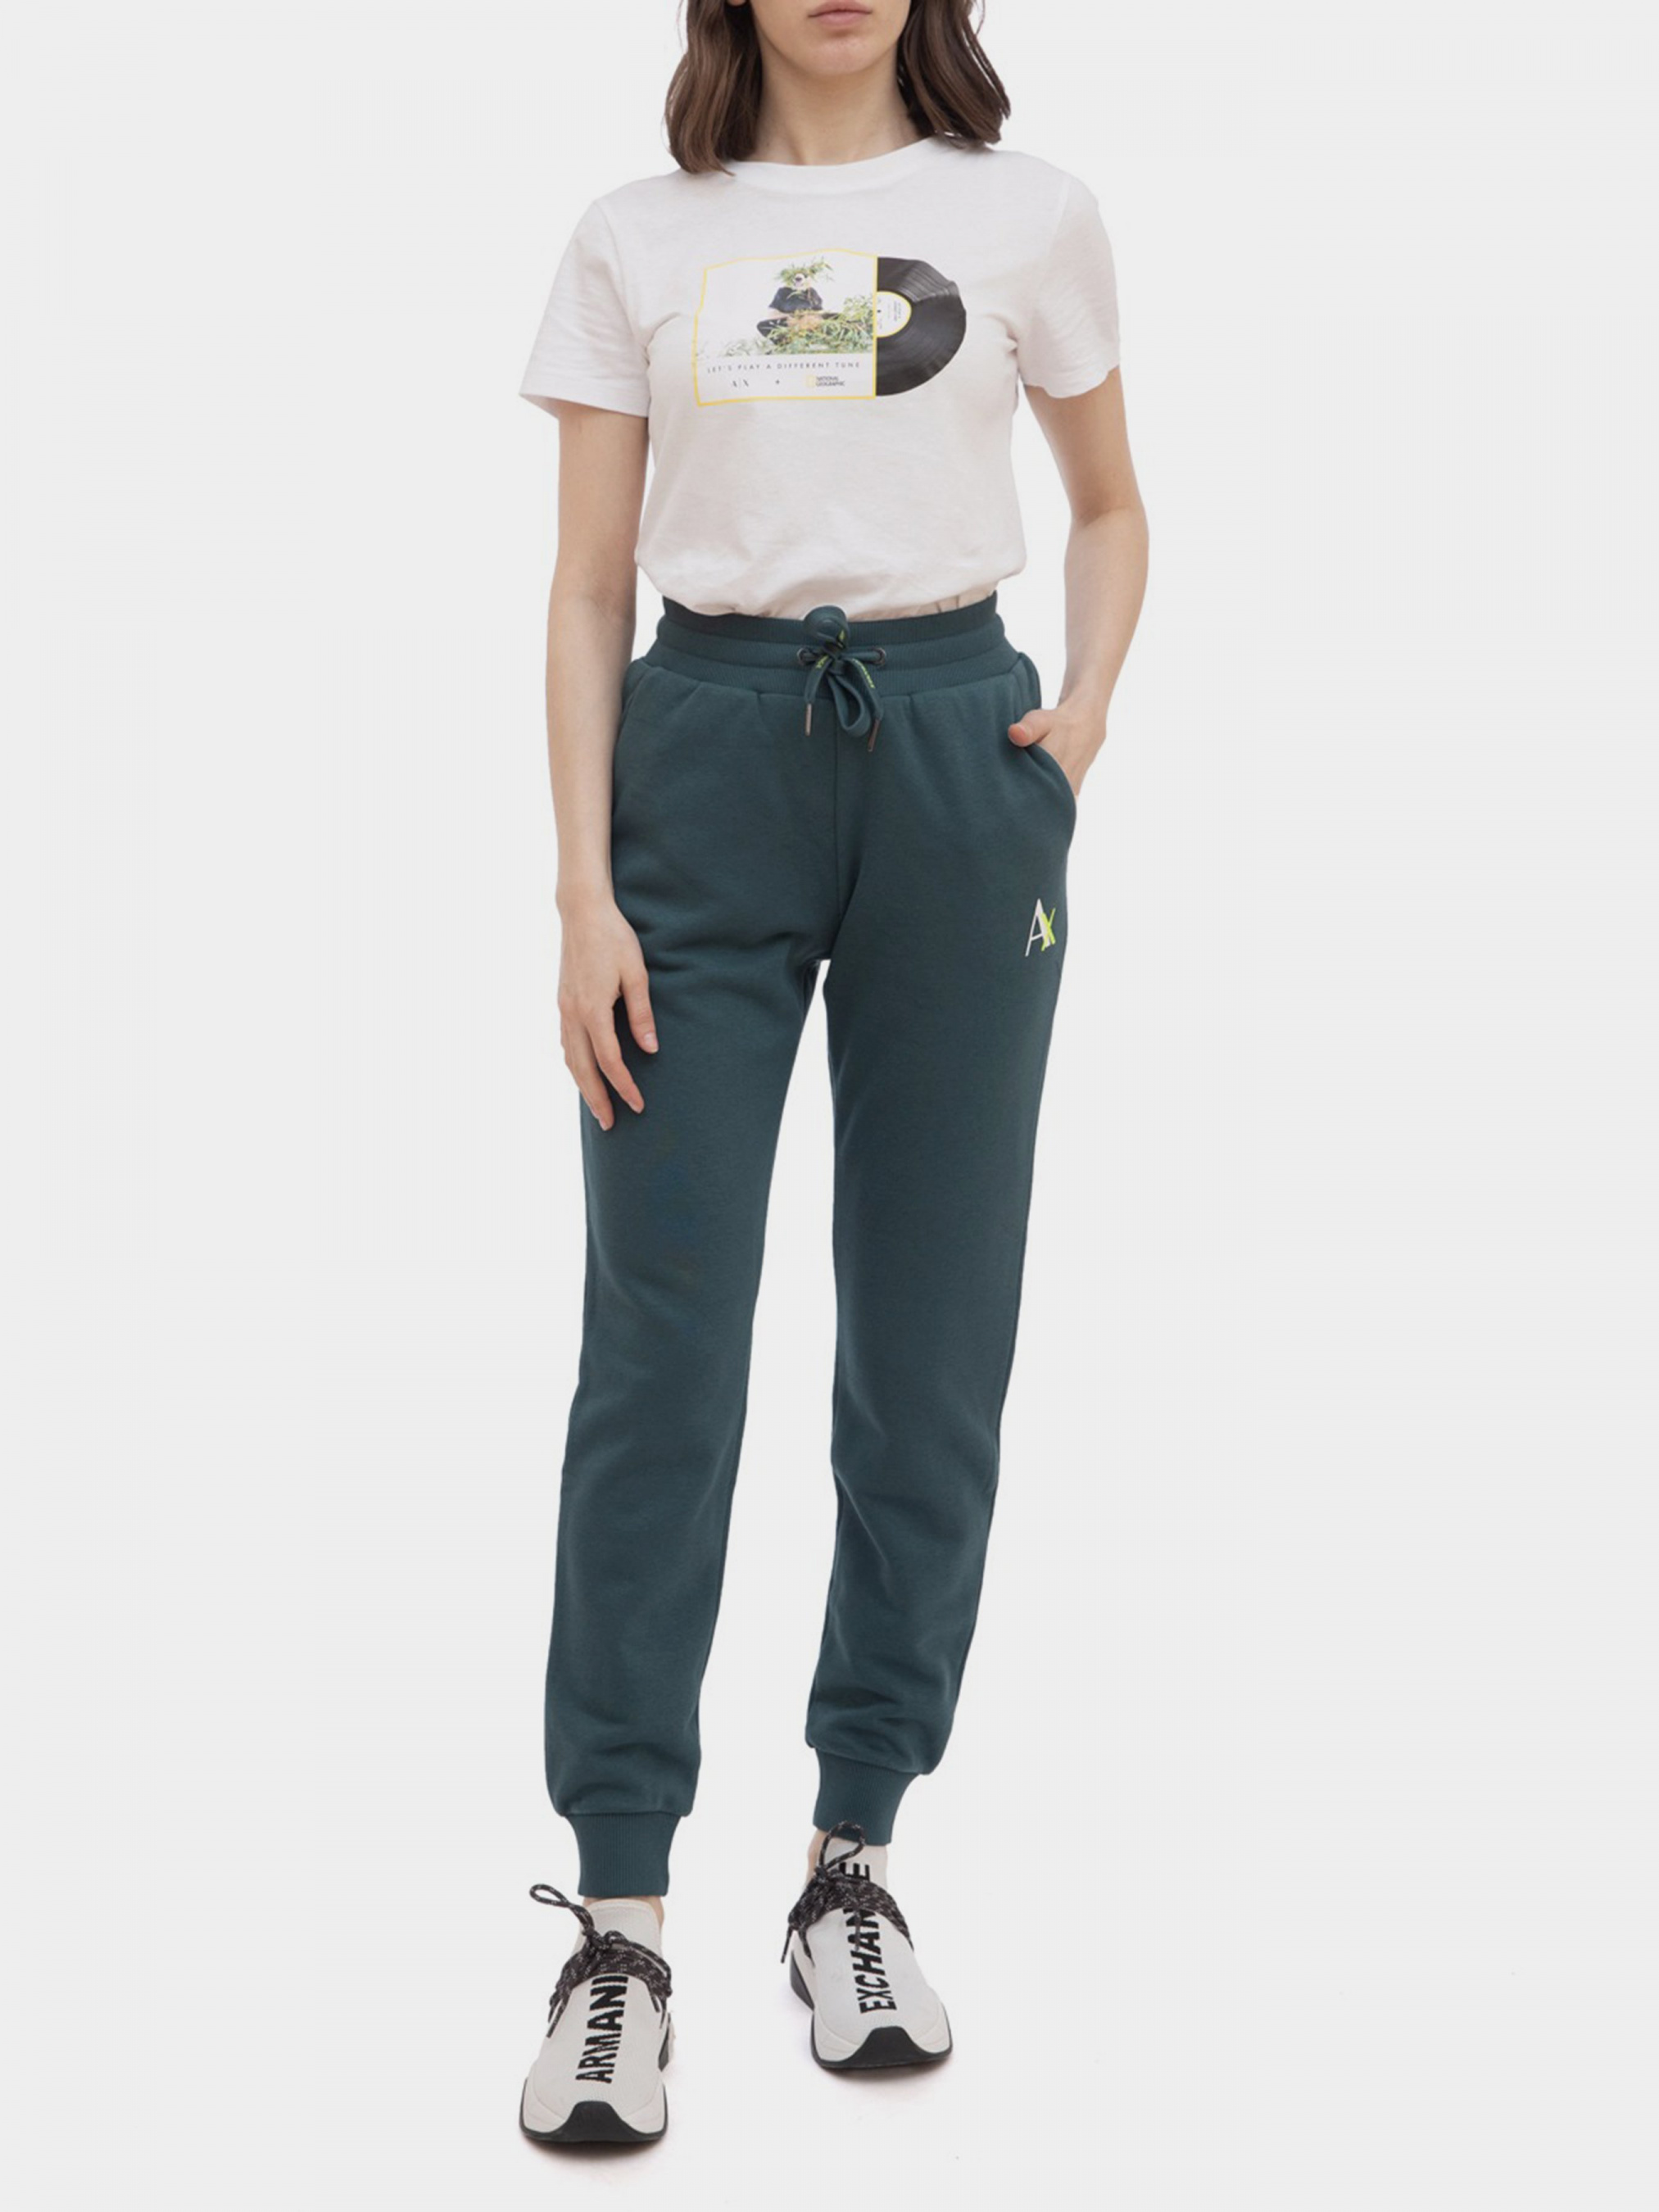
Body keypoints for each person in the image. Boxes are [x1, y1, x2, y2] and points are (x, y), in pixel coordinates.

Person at [514, 0, 1148, 2145]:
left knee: (932, 1343)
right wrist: (583, 891)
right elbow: (585, 584)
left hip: (961, 763)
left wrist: (1075, 725)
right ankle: (617, 1921)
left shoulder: (1030, 213)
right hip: (700, 771)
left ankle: (850, 1861)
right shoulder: (636, 234)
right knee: (661, 1351)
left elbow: (1111, 510)